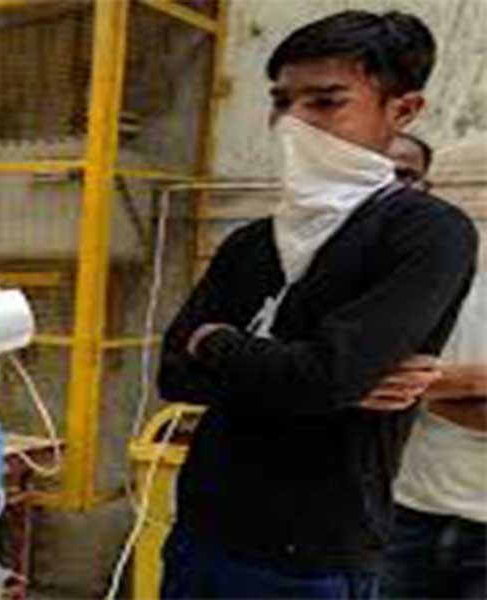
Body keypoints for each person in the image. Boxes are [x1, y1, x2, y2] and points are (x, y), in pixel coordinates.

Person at [156, 10, 478, 599]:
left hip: (310, 549)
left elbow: (327, 377)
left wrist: (215, 342)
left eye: (326, 102)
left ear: (402, 110)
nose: (293, 122)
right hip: (205, 526)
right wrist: (300, 373)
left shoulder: (425, 233)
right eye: (282, 102)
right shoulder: (253, 243)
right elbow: (173, 374)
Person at [381, 134, 487, 599]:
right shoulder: (447, 285)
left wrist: (423, 389)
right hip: (407, 511)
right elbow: (369, 376)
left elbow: (396, 385)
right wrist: (463, 385)